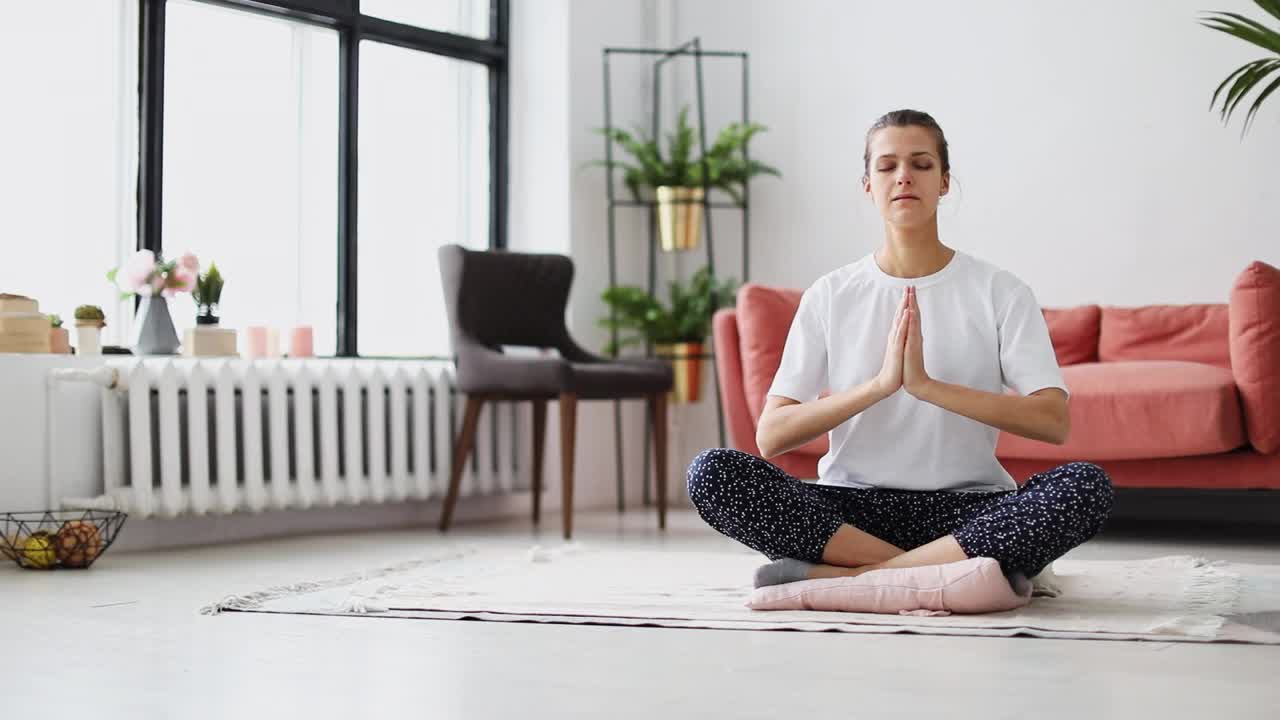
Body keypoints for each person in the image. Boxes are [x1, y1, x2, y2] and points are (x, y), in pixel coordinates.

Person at [686, 109, 1113, 589]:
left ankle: (865, 577)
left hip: (967, 512)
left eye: (921, 164)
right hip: (851, 511)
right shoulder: (831, 293)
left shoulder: (1000, 290)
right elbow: (772, 436)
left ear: (945, 181)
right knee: (713, 473)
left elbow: (1053, 421)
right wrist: (879, 387)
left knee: (1084, 487)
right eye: (887, 166)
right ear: (867, 184)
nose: (904, 176)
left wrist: (928, 387)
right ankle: (951, 575)